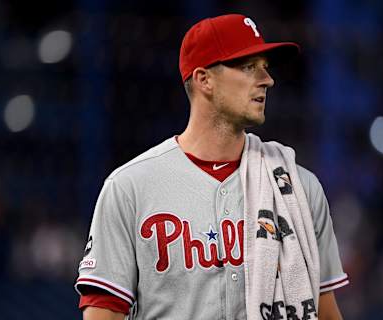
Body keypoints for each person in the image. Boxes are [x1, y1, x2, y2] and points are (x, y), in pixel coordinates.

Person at [75, 13, 349, 320]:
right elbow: (104, 313)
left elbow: (325, 310)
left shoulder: (297, 187)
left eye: (266, 68)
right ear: (204, 80)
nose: (267, 80)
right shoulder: (130, 188)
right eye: (248, 67)